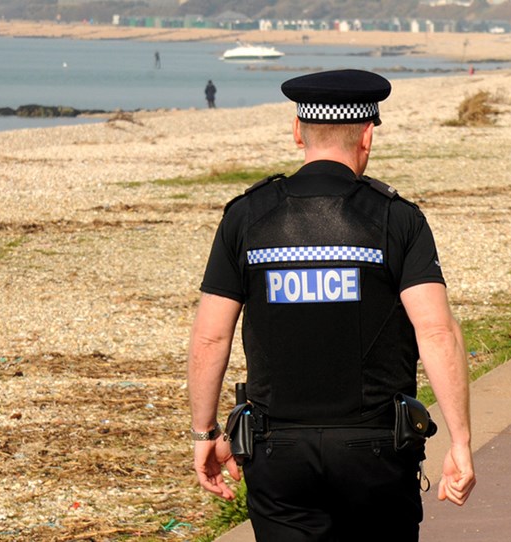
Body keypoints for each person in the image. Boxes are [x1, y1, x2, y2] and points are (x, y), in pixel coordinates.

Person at [188, 69, 475, 541]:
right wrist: (460, 441)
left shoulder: (247, 215)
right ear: (367, 135)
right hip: (376, 452)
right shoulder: (396, 218)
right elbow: (437, 331)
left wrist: (204, 432)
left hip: (278, 450)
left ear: (297, 131)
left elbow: (210, 335)